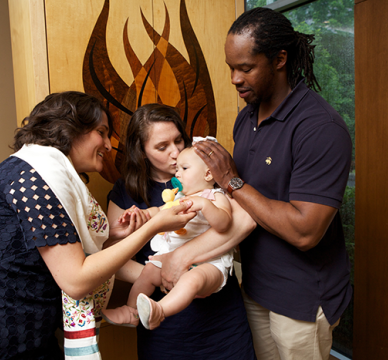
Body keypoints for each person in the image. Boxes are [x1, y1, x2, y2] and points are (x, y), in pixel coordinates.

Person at [0, 92, 195, 360]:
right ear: (70, 130)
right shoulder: (35, 183)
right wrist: (152, 227)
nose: (108, 144)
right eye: (101, 132)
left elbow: (38, 246)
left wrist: (112, 234)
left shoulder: (25, 172)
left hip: (22, 337)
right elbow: (76, 280)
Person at [193, 8, 353, 360]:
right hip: (254, 287)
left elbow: (304, 232)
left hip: (302, 299)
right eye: (231, 68)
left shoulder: (320, 127)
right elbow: (243, 205)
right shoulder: (246, 118)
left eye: (246, 68)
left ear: (280, 59)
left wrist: (231, 180)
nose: (235, 78)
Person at [106, 103, 257, 359]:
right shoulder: (127, 190)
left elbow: (243, 221)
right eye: (162, 147)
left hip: (221, 318)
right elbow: (111, 256)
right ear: (142, 151)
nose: (175, 153)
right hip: (163, 326)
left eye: (179, 140)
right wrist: (160, 273)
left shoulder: (212, 179)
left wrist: (181, 261)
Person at [103, 144, 234, 330]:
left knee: (192, 280)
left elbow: (225, 224)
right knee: (148, 272)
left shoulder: (215, 196)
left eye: (185, 168)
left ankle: (160, 310)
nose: (177, 174)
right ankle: (131, 311)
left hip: (210, 264)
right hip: (174, 260)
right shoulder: (179, 197)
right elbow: (160, 211)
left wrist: (205, 205)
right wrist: (142, 215)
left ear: (207, 175)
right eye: (177, 169)